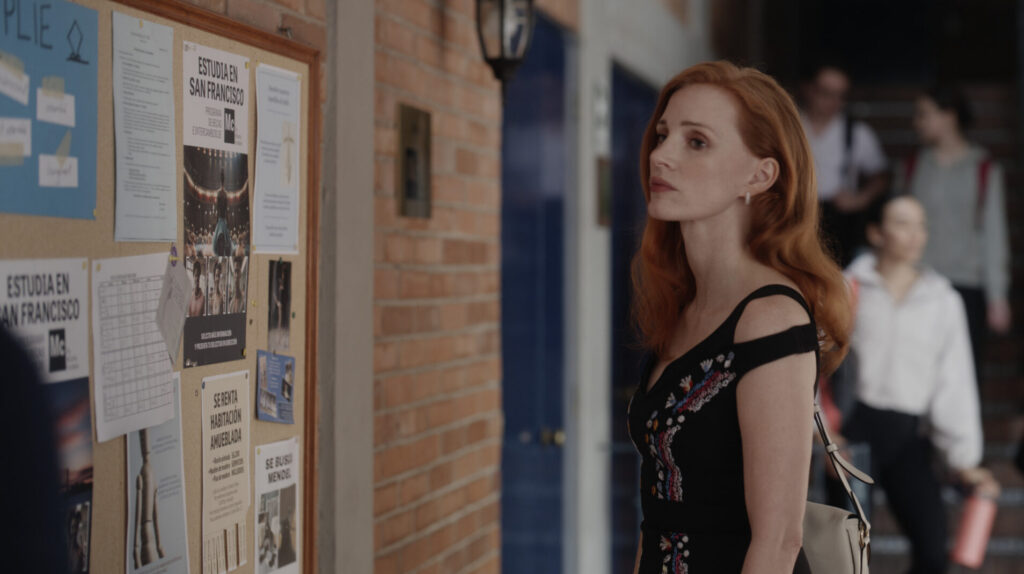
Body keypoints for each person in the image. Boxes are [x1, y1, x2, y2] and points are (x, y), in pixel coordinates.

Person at [627, 61, 853, 573]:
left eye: (696, 141)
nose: (660, 155)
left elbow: (778, 541)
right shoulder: (685, 307)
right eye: (663, 135)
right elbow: (658, 516)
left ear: (760, 174)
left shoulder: (770, 318)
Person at [840, 195, 1000, 573]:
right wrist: (825, 436)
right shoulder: (845, 288)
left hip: (909, 436)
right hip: (853, 436)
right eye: (902, 223)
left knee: (932, 551)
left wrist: (964, 460)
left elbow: (955, 381)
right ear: (876, 233)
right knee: (846, 557)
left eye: (921, 225)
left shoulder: (942, 299)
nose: (916, 235)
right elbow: (819, 367)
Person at [900, 86, 1011, 377]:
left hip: (967, 286)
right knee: (916, 373)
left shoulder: (983, 167)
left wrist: (997, 296)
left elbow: (993, 234)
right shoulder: (913, 166)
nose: (917, 122)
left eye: (924, 114)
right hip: (918, 282)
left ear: (949, 116)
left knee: (963, 375)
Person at [799, 63, 888, 266]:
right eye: (826, 93)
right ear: (809, 89)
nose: (833, 102)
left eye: (840, 95)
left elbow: (882, 175)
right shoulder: (790, 126)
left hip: (838, 221)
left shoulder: (857, 132)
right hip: (797, 214)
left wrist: (860, 199)